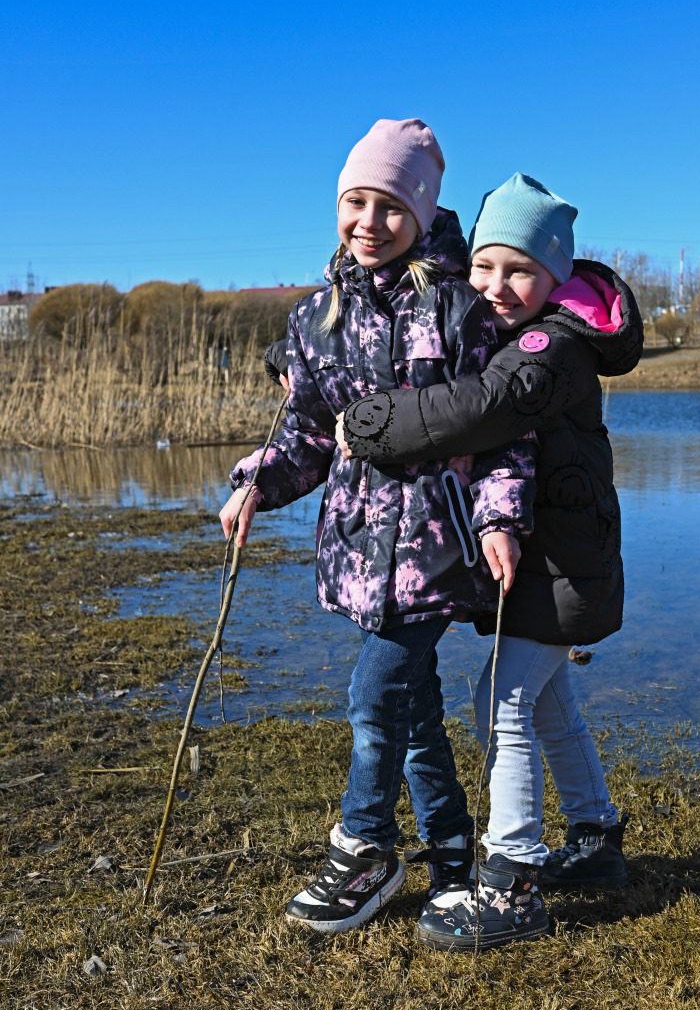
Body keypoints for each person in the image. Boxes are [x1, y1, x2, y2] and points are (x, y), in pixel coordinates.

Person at [219, 121, 535, 935]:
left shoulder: (459, 310)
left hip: (435, 547)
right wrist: (258, 483)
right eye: (354, 202)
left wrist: (499, 517)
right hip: (359, 549)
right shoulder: (314, 319)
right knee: (413, 710)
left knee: (374, 697)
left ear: (422, 213)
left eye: (389, 206)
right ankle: (453, 852)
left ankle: (364, 845)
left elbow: (501, 430)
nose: (368, 221)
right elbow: (308, 436)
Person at [333, 173, 644, 950]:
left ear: (555, 278)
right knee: (548, 706)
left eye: (520, 271)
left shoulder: (549, 347)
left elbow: (478, 409)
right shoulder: (518, 333)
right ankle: (595, 837)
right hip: (553, 567)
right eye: (486, 266)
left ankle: (512, 883)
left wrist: (368, 424)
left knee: (498, 705)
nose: (498, 286)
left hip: (559, 572)